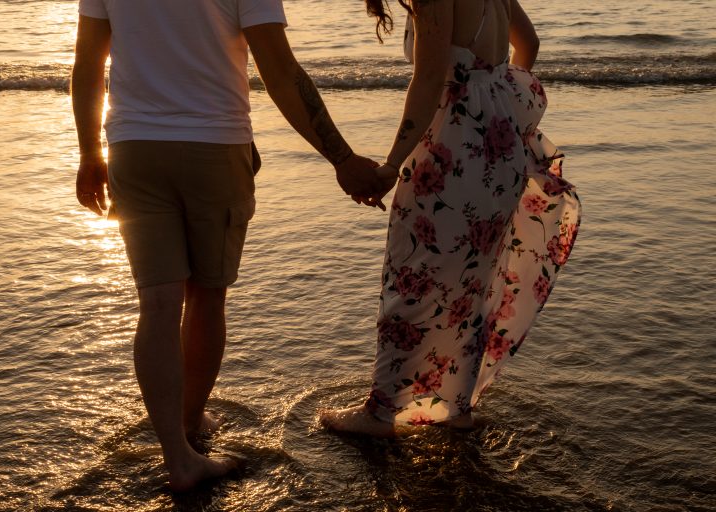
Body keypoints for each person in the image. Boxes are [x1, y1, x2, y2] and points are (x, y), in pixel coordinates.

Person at [71, 0, 384, 491]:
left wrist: (91, 152)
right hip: (214, 145)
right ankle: (190, 425)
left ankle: (178, 456)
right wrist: (341, 158)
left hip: (133, 147)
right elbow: (280, 71)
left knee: (156, 304)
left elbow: (88, 63)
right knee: (206, 295)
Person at [321, 0, 581, 435]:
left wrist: (389, 167)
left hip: (453, 144)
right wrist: (498, 96)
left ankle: (382, 415)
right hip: (500, 142)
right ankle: (456, 409)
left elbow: (426, 80)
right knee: (470, 286)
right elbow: (528, 44)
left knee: (412, 279)